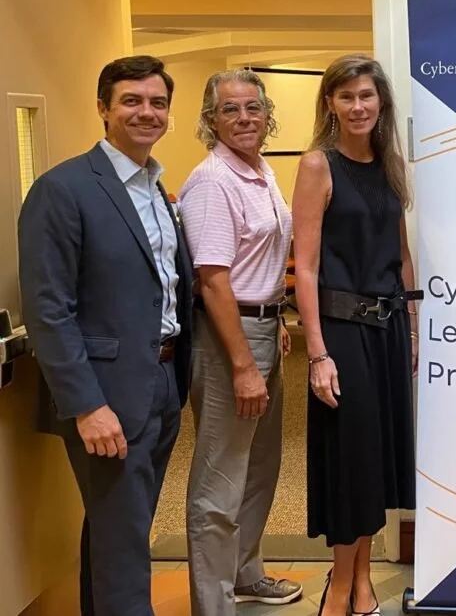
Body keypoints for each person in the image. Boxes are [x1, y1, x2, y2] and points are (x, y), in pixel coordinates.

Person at [17, 55, 192, 616]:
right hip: (106, 393)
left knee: (121, 531)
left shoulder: (157, 188)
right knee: (124, 544)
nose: (147, 112)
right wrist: (87, 405)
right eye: (132, 101)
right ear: (103, 109)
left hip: (163, 381)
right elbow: (48, 308)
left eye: (157, 102)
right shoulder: (63, 189)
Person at [292, 53, 419, 616]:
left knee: (373, 461)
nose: (358, 106)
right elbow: (308, 265)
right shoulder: (319, 164)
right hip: (340, 332)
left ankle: (362, 575)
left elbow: (402, 252)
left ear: (381, 102)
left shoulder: (389, 163)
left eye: (367, 95)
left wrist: (412, 329)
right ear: (331, 104)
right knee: (349, 458)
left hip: (388, 330)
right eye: (346, 97)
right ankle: (340, 583)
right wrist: (316, 352)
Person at [176, 69, 301, 613]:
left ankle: (246, 573)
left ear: (267, 115)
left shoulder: (258, 170)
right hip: (231, 335)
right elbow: (213, 280)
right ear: (210, 121)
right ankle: (213, 602)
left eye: (253, 107)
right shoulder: (212, 181)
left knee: (259, 465)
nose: (244, 118)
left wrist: (273, 320)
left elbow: (257, 261)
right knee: (220, 478)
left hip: (263, 325)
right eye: (231, 110)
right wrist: (244, 363)